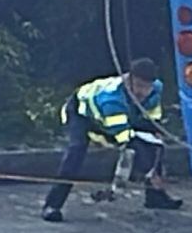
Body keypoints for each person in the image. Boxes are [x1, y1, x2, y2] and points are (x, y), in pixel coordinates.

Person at [41, 58, 182, 222]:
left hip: (120, 115)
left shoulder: (156, 89)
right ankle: (52, 205)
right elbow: (125, 139)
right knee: (76, 151)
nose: (142, 92)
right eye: (138, 86)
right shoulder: (111, 98)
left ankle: (155, 197)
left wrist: (155, 136)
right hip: (81, 113)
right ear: (128, 80)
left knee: (155, 144)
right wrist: (147, 171)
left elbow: (151, 120)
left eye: (146, 87)